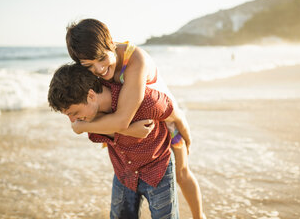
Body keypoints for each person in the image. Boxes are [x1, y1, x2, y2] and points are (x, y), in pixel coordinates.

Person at [66, 18, 205, 219]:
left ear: (111, 43)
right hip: (138, 127)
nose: (98, 70)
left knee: (182, 173)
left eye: (102, 59)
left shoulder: (135, 61)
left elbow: (122, 120)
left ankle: (199, 216)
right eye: (89, 65)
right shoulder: (91, 65)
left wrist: (82, 127)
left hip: (167, 119)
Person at [48, 63, 182, 218]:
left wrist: (185, 139)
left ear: (91, 95)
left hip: (157, 170)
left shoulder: (145, 101)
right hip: (123, 171)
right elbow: (101, 127)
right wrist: (127, 129)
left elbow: (173, 113)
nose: (73, 120)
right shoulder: (88, 116)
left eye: (74, 112)